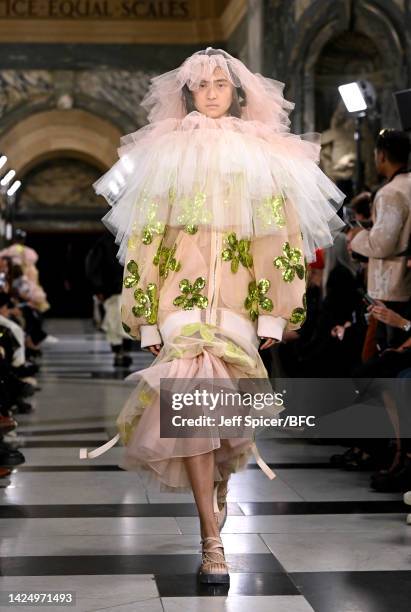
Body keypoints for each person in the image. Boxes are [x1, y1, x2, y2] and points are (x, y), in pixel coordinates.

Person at [79, 47, 345, 584]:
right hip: (180, 295)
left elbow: (281, 237)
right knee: (192, 388)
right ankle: (210, 536)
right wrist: (147, 316)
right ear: (189, 93)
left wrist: (274, 313)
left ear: (238, 91)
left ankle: (219, 479)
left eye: (222, 83)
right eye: (203, 85)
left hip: (242, 297)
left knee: (223, 410)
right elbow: (147, 240)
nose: (213, 92)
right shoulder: (165, 151)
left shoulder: (265, 153)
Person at [350, 129, 411, 352]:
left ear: (382, 155)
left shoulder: (391, 192)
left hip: (392, 287)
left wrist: (356, 238)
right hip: (404, 284)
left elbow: (382, 244)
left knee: (385, 358)